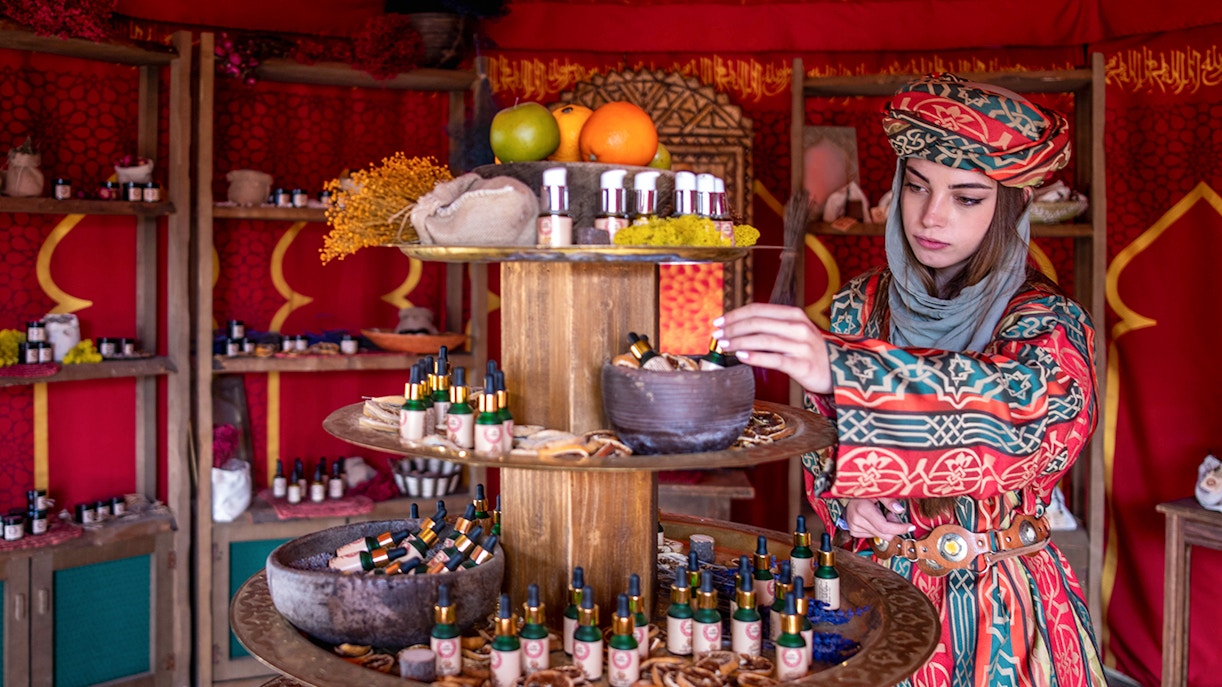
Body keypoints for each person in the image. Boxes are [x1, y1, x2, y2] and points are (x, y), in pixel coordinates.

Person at [713, 73, 1105, 687]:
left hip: (998, 607)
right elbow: (822, 441)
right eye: (916, 186)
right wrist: (845, 498)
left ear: (1012, 205)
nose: (931, 216)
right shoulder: (858, 307)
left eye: (968, 197)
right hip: (871, 596)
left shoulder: (1046, 321)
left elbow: (1028, 423)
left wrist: (843, 369)